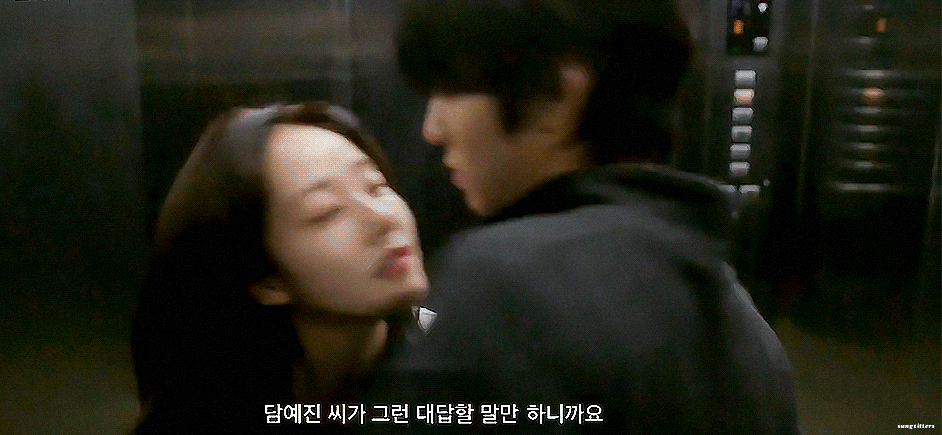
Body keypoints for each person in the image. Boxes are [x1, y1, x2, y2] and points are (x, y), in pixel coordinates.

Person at [361, 0, 802, 433]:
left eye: (451, 89)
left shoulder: (508, 283)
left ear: (556, 97)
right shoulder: (731, 306)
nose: (432, 129)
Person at [130, 102, 429, 434]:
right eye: (326, 211)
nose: (383, 218)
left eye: (376, 186)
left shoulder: (458, 348)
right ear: (267, 280)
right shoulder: (203, 410)